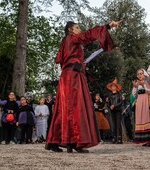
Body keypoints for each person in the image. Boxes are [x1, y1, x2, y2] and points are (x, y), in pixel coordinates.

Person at [45, 20, 122, 153]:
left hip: (66, 76)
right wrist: (108, 26)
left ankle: (58, 141)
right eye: (77, 27)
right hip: (73, 76)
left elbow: (60, 59)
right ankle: (75, 141)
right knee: (76, 107)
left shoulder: (65, 42)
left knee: (64, 108)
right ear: (70, 29)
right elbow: (88, 35)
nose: (79, 29)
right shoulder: (72, 38)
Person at [132, 69, 150, 146]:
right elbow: (134, 95)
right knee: (141, 119)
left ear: (144, 74)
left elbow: (149, 90)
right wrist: (134, 87)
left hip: (146, 99)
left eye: (141, 73)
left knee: (147, 118)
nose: (140, 75)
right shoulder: (137, 83)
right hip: (139, 101)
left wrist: (143, 84)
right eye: (138, 74)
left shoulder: (148, 82)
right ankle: (145, 140)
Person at [106, 78, 124, 144]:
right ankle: (114, 137)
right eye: (112, 86)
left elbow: (121, 102)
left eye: (114, 86)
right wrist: (110, 106)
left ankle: (119, 138)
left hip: (118, 110)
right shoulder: (110, 95)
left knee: (118, 124)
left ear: (116, 87)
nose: (113, 87)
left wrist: (114, 105)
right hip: (112, 111)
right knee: (113, 124)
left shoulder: (119, 95)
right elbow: (108, 103)